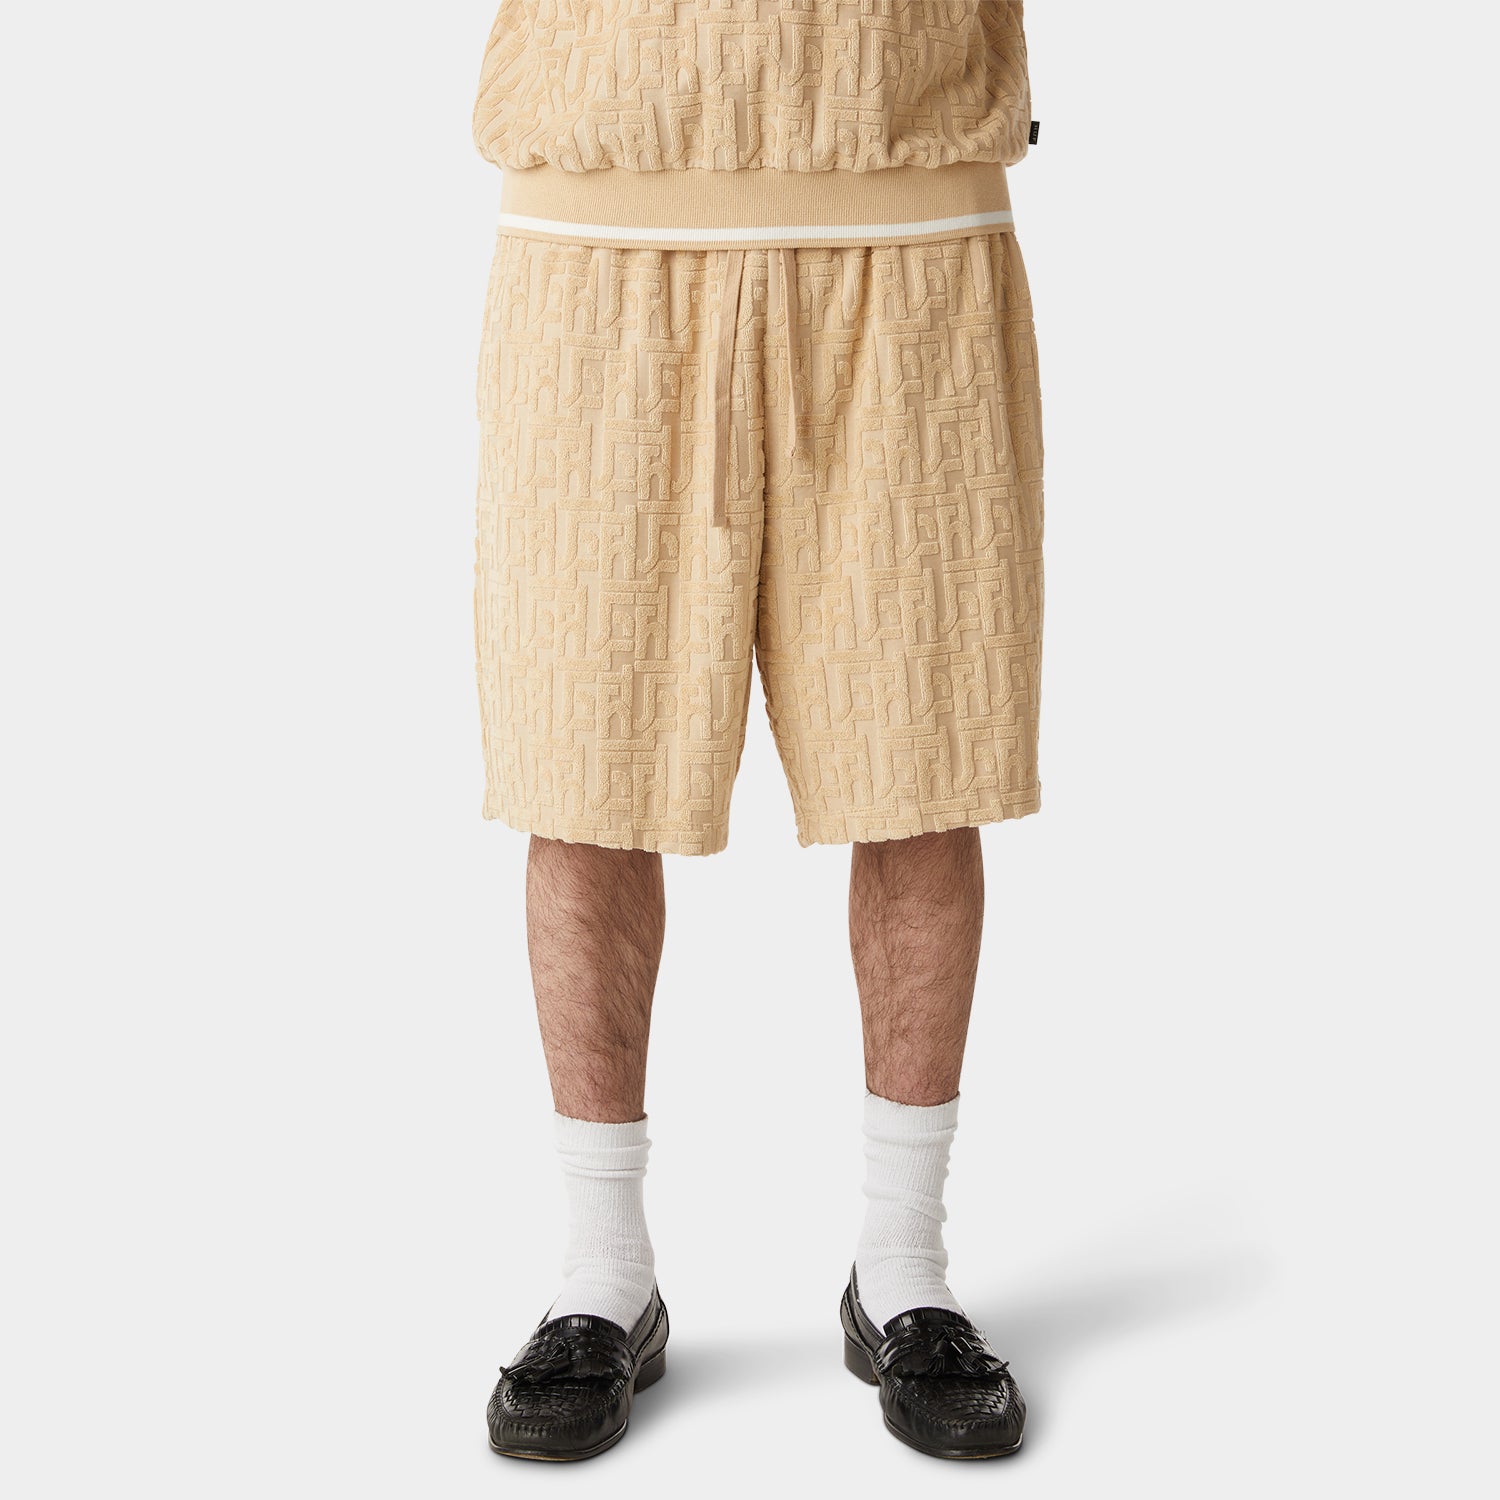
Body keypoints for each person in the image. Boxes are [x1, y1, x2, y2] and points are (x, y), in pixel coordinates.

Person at [471, 0, 1043, 1463]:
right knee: (582, 770)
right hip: (599, 233)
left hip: (910, 225)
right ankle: (601, 1277)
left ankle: (903, 1269)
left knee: (923, 766)